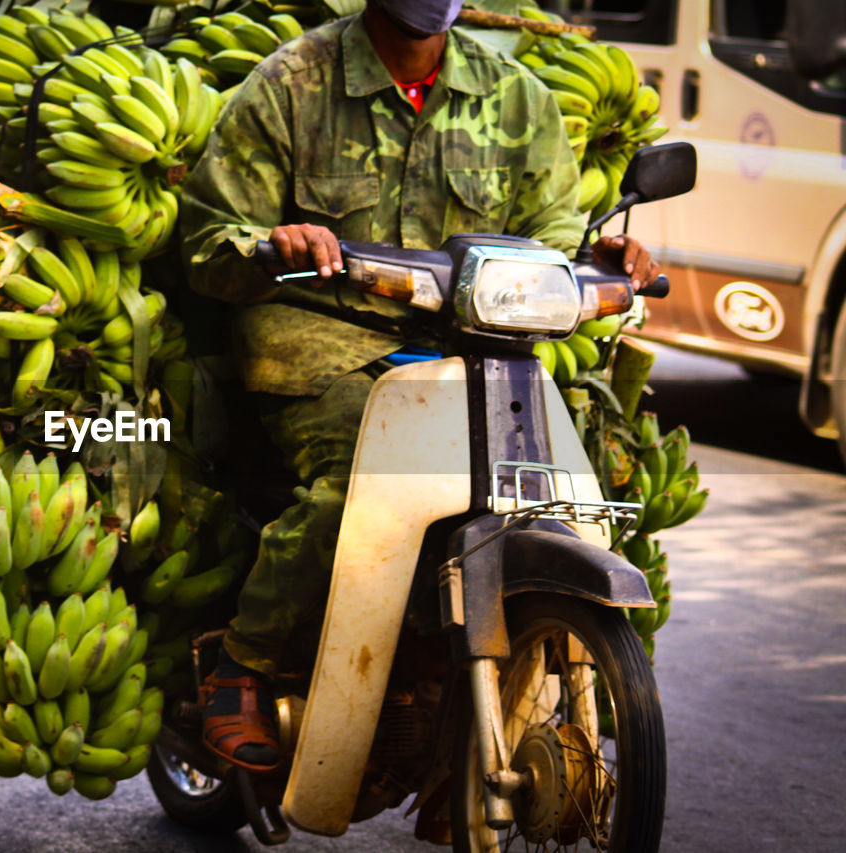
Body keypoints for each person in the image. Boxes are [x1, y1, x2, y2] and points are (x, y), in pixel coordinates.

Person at [178, 0, 661, 773]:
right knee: (357, 484)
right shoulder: (292, 84)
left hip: (475, 348)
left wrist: (606, 255)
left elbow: (553, 236)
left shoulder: (514, 96)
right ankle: (244, 663)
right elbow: (207, 241)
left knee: (558, 491)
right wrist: (276, 242)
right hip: (325, 340)